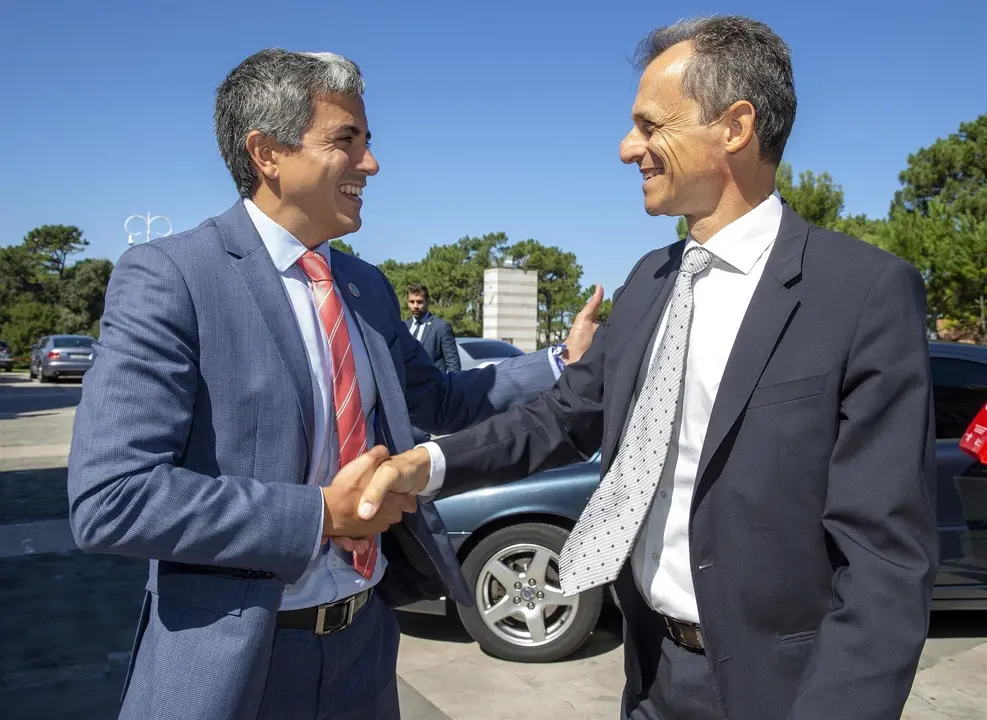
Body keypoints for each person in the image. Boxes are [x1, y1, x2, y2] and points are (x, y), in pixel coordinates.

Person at [359, 16, 938, 720]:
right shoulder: (648, 282)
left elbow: (884, 561)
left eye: (649, 124)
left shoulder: (861, 292)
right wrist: (426, 465)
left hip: (781, 691)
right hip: (650, 676)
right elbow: (563, 417)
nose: (628, 147)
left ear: (734, 126)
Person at [66, 49, 600, 720]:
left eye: (367, 143)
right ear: (266, 153)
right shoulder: (172, 278)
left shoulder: (365, 287)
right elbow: (112, 499)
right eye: (346, 142)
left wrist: (559, 362)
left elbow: (437, 399)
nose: (370, 165)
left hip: (363, 650)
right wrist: (321, 515)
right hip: (238, 668)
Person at [405, 283, 461, 373]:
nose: (415, 306)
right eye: (412, 302)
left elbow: (453, 364)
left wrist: (450, 386)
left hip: (433, 384)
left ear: (427, 302)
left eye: (419, 302)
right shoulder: (404, 327)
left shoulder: (441, 327)